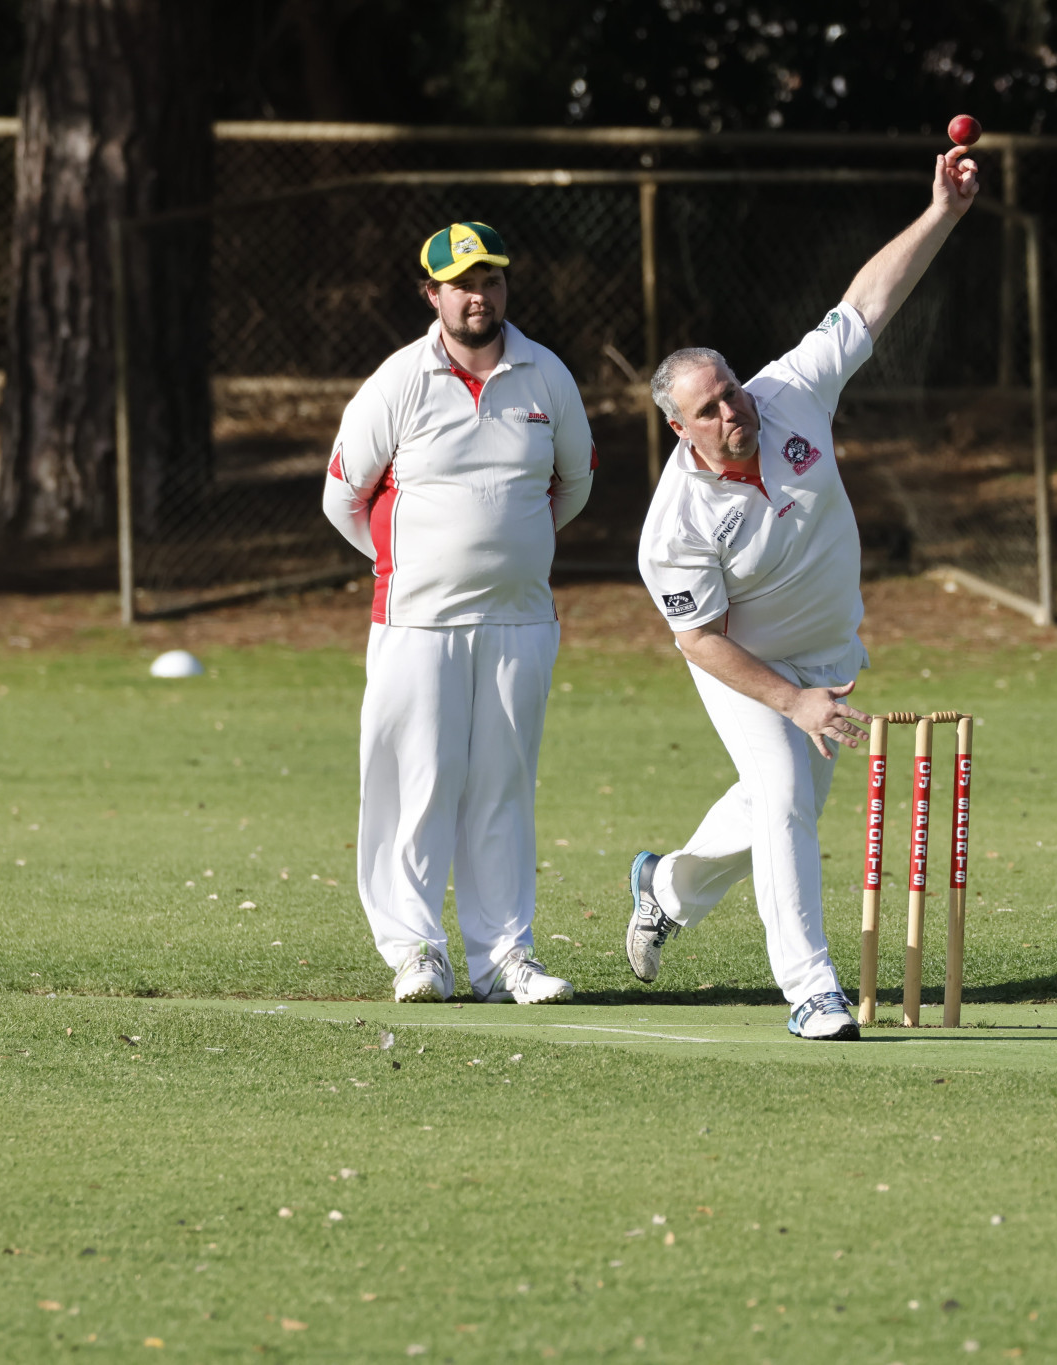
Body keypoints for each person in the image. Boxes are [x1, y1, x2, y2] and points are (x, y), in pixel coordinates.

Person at [627, 147, 980, 1040]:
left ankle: (664, 886)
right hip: (745, 664)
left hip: (829, 652)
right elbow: (700, 641)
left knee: (764, 810)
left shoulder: (791, 393)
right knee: (781, 794)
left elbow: (865, 304)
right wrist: (791, 700)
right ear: (680, 427)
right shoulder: (673, 524)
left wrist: (941, 211)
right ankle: (811, 989)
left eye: (732, 392)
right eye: (708, 410)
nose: (733, 414)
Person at [323, 220, 594, 1004]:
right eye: (463, 284)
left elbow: (571, 486)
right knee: (415, 782)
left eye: (493, 280)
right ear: (432, 294)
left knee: (502, 786)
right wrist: (406, 565)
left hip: (520, 619)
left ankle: (506, 955)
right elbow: (342, 496)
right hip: (415, 621)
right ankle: (416, 952)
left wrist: (509, 550)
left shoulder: (547, 375)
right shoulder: (399, 379)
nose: (480, 296)